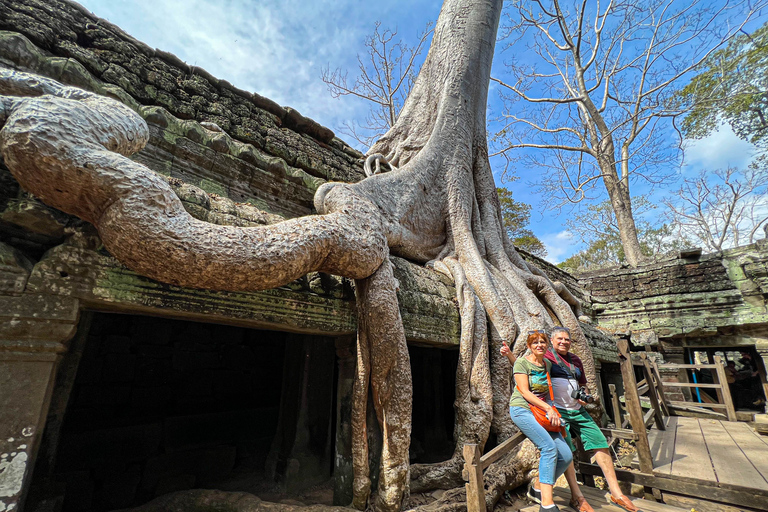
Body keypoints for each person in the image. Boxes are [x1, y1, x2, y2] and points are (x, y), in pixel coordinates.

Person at [529, 326, 639, 512]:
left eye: (567, 339)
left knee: (600, 442)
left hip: (578, 410)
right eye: (559, 339)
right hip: (558, 412)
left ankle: (616, 492)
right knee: (567, 452)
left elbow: (583, 385)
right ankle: (577, 497)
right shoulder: (545, 358)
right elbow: (528, 372)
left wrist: (584, 396)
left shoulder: (576, 360)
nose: (564, 342)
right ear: (551, 341)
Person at [501, 331, 590, 512]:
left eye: (542, 342)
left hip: (542, 412)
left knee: (565, 456)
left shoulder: (547, 364)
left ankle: (538, 489)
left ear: (547, 346)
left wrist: (552, 410)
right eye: (535, 343)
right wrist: (549, 408)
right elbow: (524, 390)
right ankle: (547, 504)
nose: (539, 345)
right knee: (549, 448)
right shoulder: (522, 362)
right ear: (529, 346)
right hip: (522, 409)